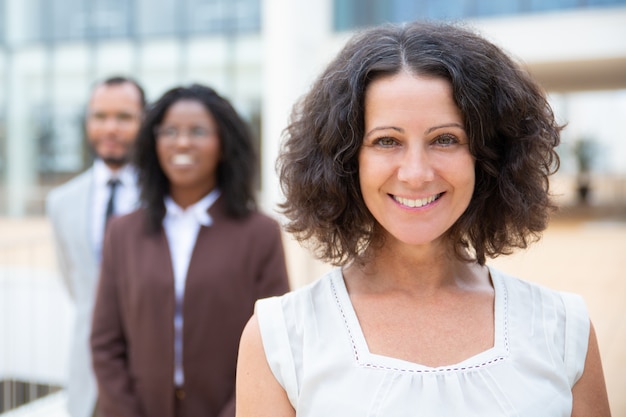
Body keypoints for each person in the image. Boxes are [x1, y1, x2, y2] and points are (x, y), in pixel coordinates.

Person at [236, 21, 611, 417]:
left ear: (490, 157)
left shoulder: (563, 329)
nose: (416, 173)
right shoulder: (280, 338)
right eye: (387, 141)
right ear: (346, 162)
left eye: (445, 139)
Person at [90, 83, 290, 417]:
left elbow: (276, 343)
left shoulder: (260, 234)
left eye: (197, 131)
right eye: (169, 131)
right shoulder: (123, 232)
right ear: (153, 143)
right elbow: (105, 343)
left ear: (223, 145)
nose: (182, 142)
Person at [46, 75, 145, 417]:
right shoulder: (61, 202)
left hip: (155, 367)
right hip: (88, 369)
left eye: (124, 117)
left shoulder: (166, 197)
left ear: (144, 122)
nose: (110, 128)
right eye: (100, 116)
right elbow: (76, 285)